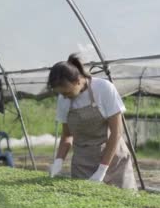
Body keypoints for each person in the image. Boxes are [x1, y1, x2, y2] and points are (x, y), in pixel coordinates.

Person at [48, 53, 137, 190]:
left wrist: (102, 170)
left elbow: (116, 132)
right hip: (83, 162)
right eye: (61, 94)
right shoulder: (63, 99)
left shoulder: (103, 88)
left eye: (68, 93)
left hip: (113, 160)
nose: (65, 98)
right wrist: (59, 161)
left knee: (126, 203)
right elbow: (67, 135)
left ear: (78, 81)